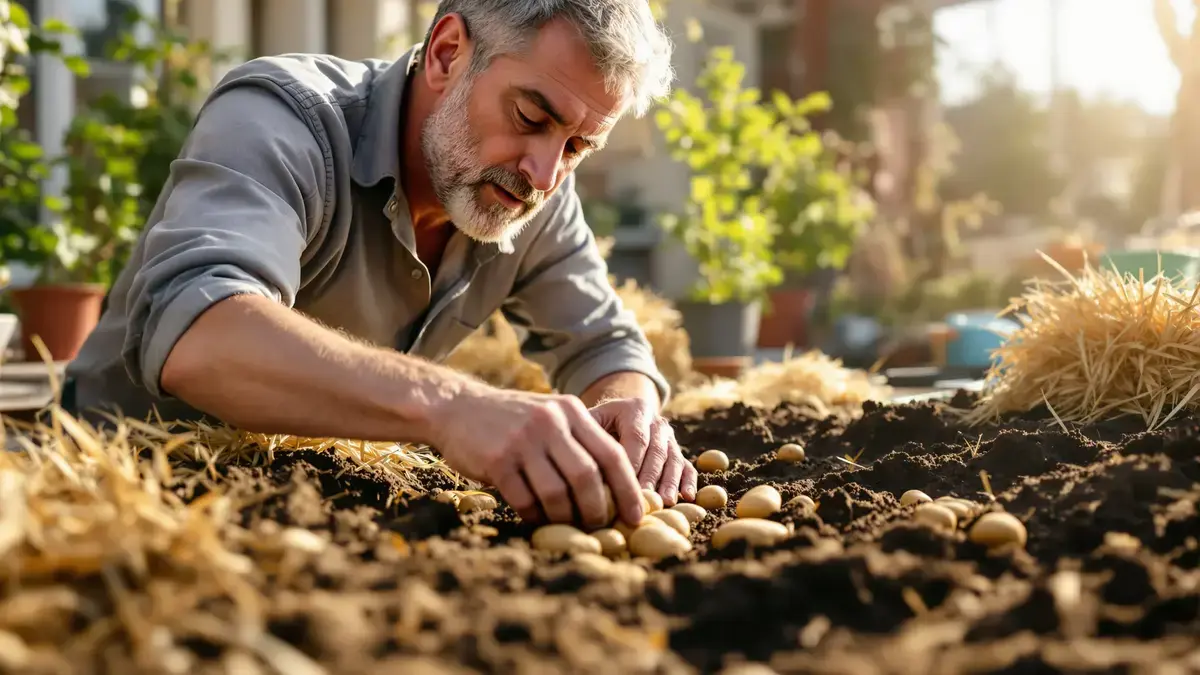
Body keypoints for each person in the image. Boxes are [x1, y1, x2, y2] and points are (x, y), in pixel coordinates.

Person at [63, 0, 697, 529]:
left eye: (579, 146)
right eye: (530, 116)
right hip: (122, 510)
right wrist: (451, 407)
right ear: (449, 52)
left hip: (312, 526)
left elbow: (607, 346)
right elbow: (198, 335)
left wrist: (630, 407)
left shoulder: (526, 191)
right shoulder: (284, 118)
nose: (544, 172)